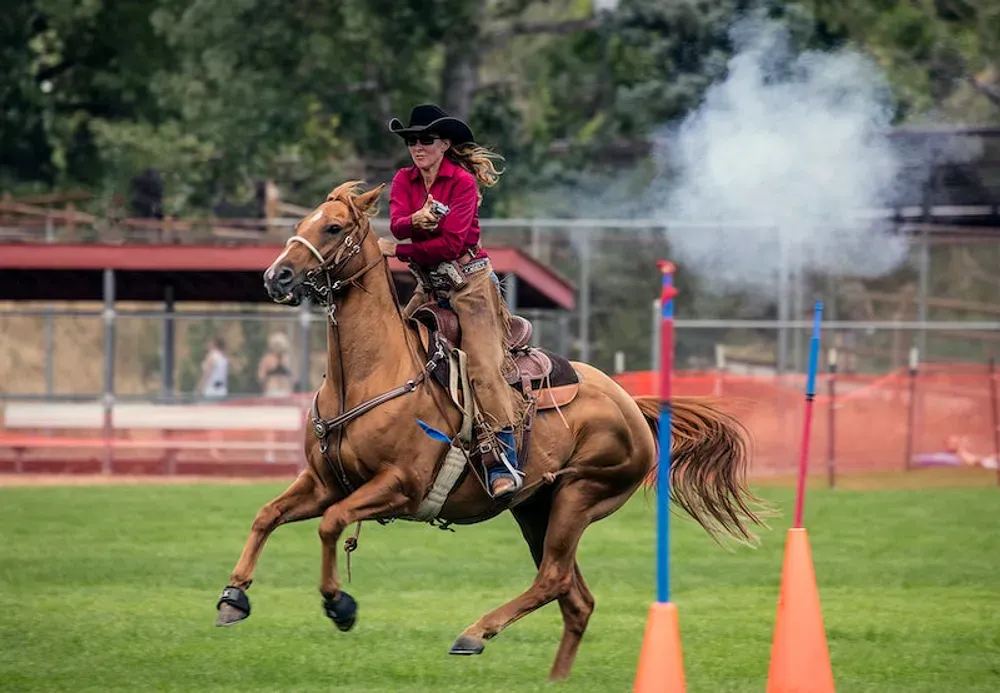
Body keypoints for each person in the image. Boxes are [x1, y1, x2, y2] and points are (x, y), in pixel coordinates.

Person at [377, 103, 525, 499]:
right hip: (430, 285)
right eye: (411, 140)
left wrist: (401, 250)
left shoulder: (461, 183)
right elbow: (395, 222)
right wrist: (414, 224)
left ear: (444, 143)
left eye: (426, 139)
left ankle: (501, 460)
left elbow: (453, 243)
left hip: (471, 286)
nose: (417, 146)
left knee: (482, 366)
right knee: (395, 349)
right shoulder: (404, 180)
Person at [257, 331, 296, 398]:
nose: (279, 347)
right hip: (271, 391)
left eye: (280, 344)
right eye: (276, 344)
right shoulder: (266, 359)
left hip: (286, 391)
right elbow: (261, 376)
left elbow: (295, 377)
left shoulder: (288, 359)